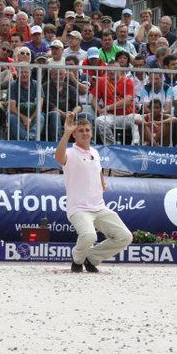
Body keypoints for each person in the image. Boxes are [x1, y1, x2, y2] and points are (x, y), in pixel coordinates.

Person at [55, 112, 133, 273]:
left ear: (91, 133)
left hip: (99, 207)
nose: (85, 133)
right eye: (80, 130)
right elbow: (58, 157)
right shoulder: (70, 152)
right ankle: (77, 260)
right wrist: (66, 133)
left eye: (87, 130)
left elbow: (97, 169)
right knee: (89, 236)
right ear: (74, 135)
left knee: (125, 237)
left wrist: (102, 182)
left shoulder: (95, 153)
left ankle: (91, 258)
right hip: (78, 208)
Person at [93, 60, 142, 145]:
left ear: (120, 70)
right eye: (110, 69)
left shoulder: (128, 81)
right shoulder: (102, 81)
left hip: (128, 115)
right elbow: (94, 100)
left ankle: (135, 145)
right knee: (99, 120)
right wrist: (99, 110)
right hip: (111, 116)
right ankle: (111, 146)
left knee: (138, 119)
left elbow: (127, 101)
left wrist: (108, 107)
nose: (112, 71)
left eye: (114, 69)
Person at [8, 66, 44, 140]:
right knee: (11, 117)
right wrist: (24, 118)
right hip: (18, 114)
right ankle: (26, 140)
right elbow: (12, 108)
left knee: (40, 117)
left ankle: (31, 136)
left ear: (30, 73)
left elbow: (39, 107)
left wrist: (30, 119)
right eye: (21, 72)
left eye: (26, 72)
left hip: (33, 115)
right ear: (17, 74)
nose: (24, 74)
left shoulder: (37, 84)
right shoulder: (13, 85)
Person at [46, 67, 80, 140]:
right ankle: (57, 142)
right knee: (56, 114)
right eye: (55, 74)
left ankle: (86, 142)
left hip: (69, 115)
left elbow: (78, 105)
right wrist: (63, 114)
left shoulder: (70, 88)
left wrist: (73, 113)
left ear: (65, 75)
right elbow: (48, 105)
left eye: (61, 74)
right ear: (51, 75)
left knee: (86, 116)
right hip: (51, 115)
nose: (58, 76)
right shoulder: (45, 87)